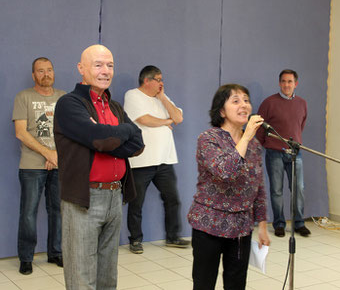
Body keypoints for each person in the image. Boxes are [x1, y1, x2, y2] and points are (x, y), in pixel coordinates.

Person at [54, 44, 144, 290]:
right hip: (85, 199)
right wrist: (120, 133)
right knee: (82, 277)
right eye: (98, 65)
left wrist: (108, 138)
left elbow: (138, 143)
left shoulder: (113, 106)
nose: (106, 71)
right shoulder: (69, 104)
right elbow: (101, 138)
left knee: (107, 276)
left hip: (115, 197)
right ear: (81, 68)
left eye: (110, 65)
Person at [187, 84, 270, 290]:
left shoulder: (254, 146)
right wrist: (247, 137)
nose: (244, 105)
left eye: (246, 100)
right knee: (204, 283)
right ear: (222, 111)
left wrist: (261, 225)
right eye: (236, 101)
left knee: (236, 284)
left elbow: (258, 186)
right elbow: (226, 171)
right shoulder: (208, 139)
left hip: (242, 227)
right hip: (209, 224)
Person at [124, 65, 189, 254]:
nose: (162, 83)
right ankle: (135, 240)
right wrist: (167, 122)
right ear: (147, 80)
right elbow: (144, 119)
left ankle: (173, 236)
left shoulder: (163, 97)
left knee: (173, 199)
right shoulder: (132, 95)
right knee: (136, 203)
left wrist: (162, 99)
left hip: (165, 161)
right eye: (158, 80)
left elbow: (179, 117)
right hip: (141, 161)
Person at [12, 57, 65, 275]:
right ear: (34, 75)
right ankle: (26, 258)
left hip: (60, 164)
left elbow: (70, 131)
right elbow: (20, 132)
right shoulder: (23, 97)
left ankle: (55, 252)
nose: (46, 74)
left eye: (49, 70)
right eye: (40, 71)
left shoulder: (64, 98)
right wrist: (48, 153)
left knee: (58, 211)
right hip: (32, 166)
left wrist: (57, 156)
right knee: (28, 213)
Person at [256, 69, 311, 237]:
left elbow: (299, 125)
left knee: (298, 189)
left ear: (296, 84)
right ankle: (279, 223)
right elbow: (259, 126)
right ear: (279, 83)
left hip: (295, 152)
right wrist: (263, 145)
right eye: (284, 81)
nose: (287, 85)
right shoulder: (269, 102)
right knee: (277, 190)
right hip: (274, 153)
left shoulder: (302, 103)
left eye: (290, 82)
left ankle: (299, 223)